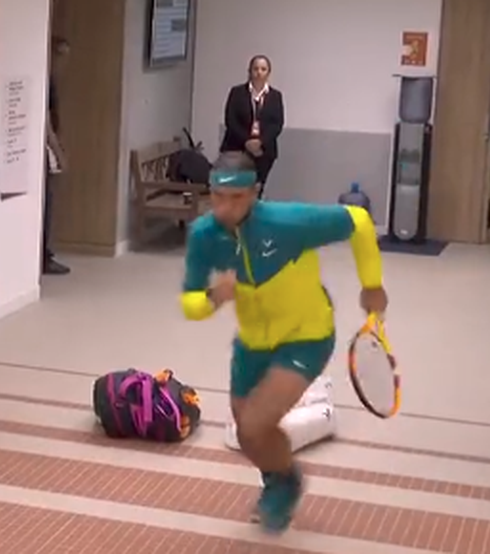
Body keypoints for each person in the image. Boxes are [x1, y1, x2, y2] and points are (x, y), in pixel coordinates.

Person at [180, 152, 386, 532]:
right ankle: (281, 479)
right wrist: (213, 297)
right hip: (252, 343)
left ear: (255, 193)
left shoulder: (287, 222)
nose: (225, 208)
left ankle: (283, 485)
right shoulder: (204, 236)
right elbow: (189, 303)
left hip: (306, 336)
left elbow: (358, 220)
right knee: (247, 433)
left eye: (237, 198)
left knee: (257, 425)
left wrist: (372, 284)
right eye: (218, 198)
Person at [221, 55, 284, 198]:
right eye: (255, 69)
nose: (259, 72)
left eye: (263, 69)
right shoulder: (237, 92)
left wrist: (260, 142)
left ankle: (252, 217)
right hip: (237, 148)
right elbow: (230, 120)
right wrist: (247, 142)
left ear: (268, 73)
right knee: (237, 189)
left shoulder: (275, 96)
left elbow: (277, 124)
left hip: (263, 151)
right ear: (249, 71)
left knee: (256, 189)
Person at [43, 36, 71, 275]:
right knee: (46, 202)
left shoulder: (51, 80)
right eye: (60, 56)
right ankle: (43, 255)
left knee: (49, 201)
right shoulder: (44, 80)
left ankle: (45, 252)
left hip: (48, 144)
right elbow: (46, 122)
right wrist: (58, 151)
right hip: (43, 148)